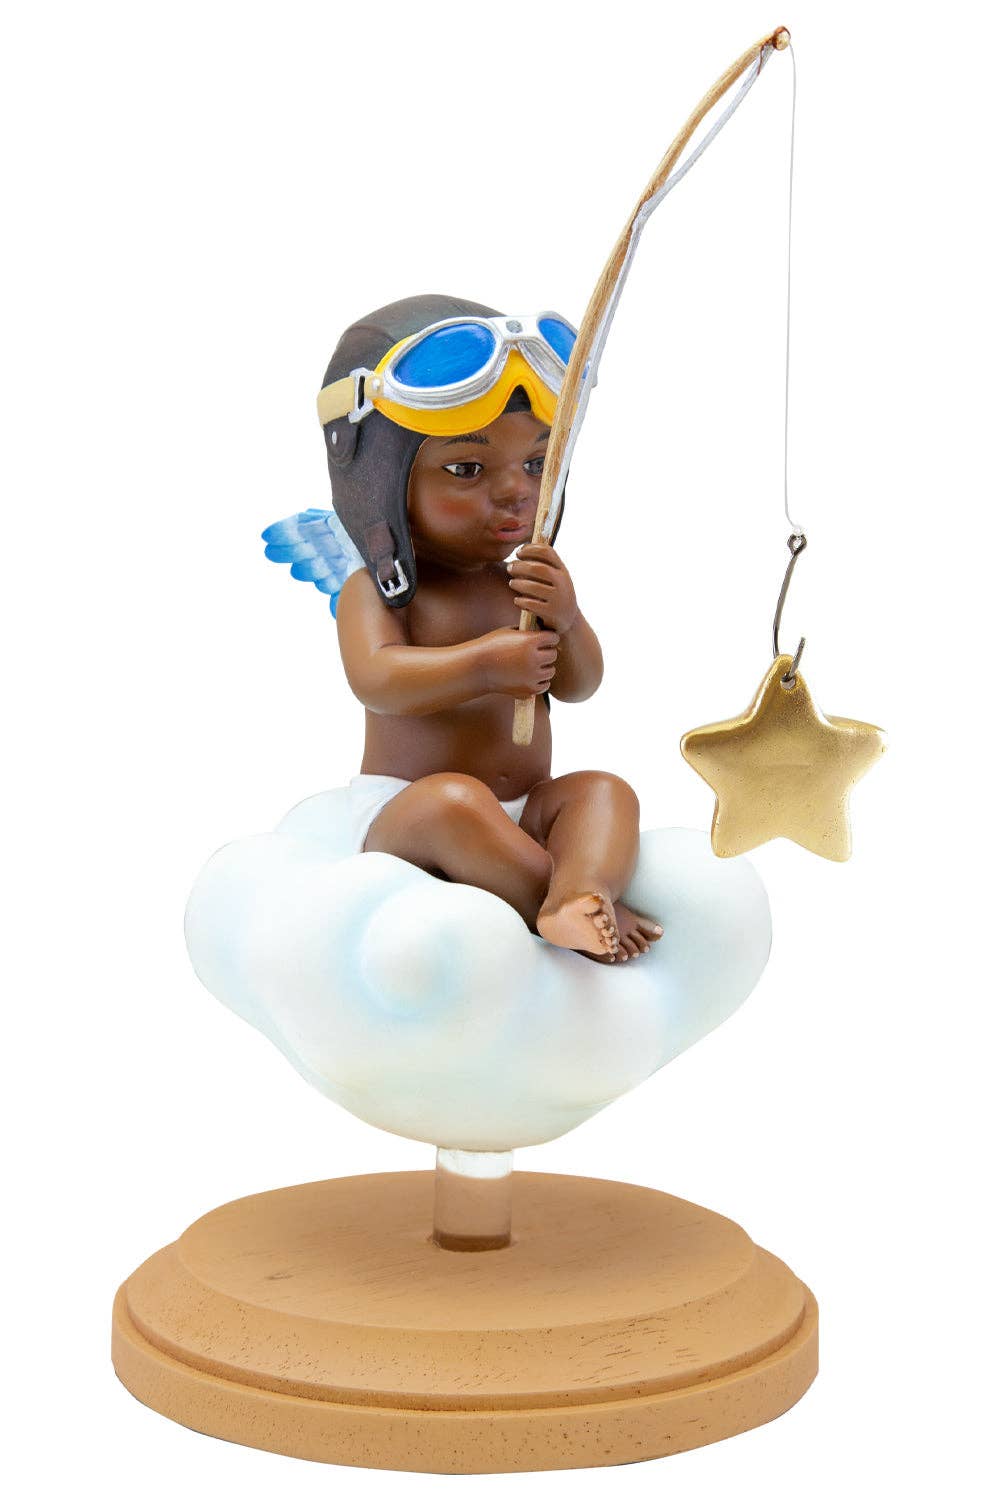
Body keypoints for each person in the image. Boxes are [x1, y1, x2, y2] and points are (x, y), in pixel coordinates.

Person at [269, 295, 663, 962]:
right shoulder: (383, 588)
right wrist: (483, 665)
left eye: (536, 464)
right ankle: (556, 906)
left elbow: (580, 686)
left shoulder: (522, 583)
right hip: (411, 816)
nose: (516, 492)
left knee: (604, 791)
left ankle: (580, 894)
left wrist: (567, 619)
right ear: (381, 483)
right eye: (467, 470)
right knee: (454, 803)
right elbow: (377, 679)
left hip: (525, 809)